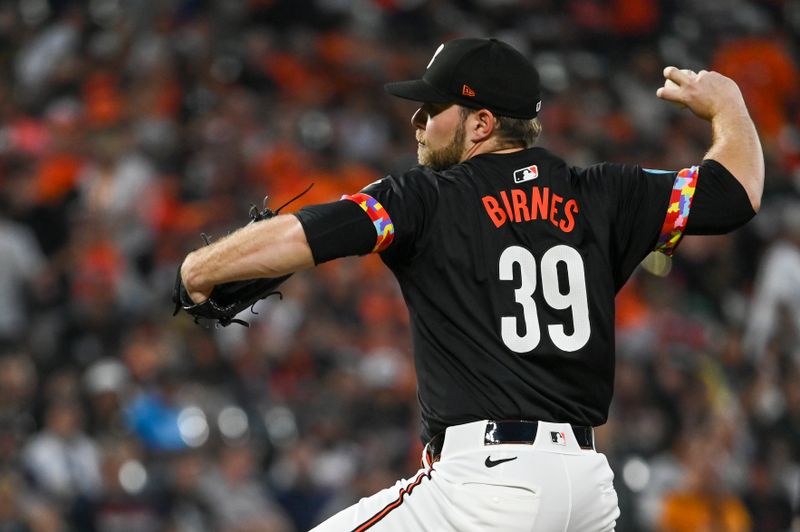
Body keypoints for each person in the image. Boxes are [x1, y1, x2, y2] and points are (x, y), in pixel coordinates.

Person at [178, 38, 764, 531]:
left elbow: (307, 234)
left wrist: (200, 269)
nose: (418, 121)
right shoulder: (608, 192)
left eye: (433, 108)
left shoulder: (426, 197)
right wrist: (729, 104)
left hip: (487, 483)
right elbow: (737, 191)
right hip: (586, 490)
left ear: (481, 122)